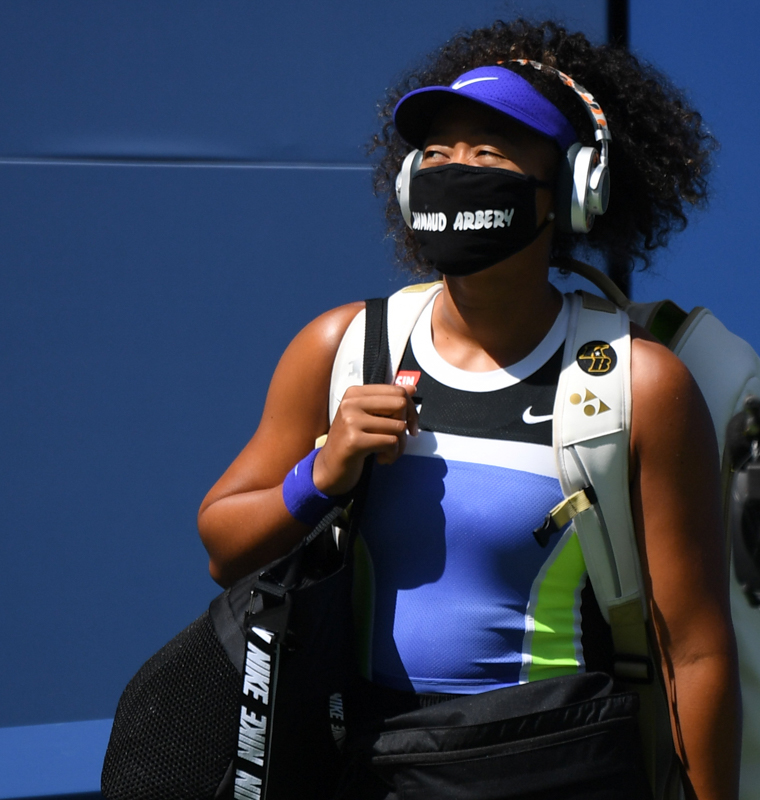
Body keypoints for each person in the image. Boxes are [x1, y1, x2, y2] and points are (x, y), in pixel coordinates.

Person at [197, 19, 740, 800]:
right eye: (440, 151)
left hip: (555, 763)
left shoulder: (640, 384)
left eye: (490, 151)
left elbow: (693, 651)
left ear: (577, 187)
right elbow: (223, 547)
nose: (457, 169)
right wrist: (320, 472)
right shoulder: (342, 345)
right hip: (368, 766)